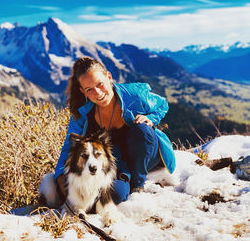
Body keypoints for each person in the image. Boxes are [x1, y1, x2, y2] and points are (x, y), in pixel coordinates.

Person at [53, 57, 176, 205]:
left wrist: (151, 118)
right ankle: (125, 182)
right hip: (116, 161)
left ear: (109, 77)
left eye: (100, 84)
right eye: (89, 89)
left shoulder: (134, 95)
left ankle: (138, 184)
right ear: (82, 91)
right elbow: (68, 147)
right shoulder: (82, 114)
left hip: (144, 151)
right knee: (115, 196)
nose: (97, 92)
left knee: (142, 130)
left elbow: (162, 104)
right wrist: (60, 177)